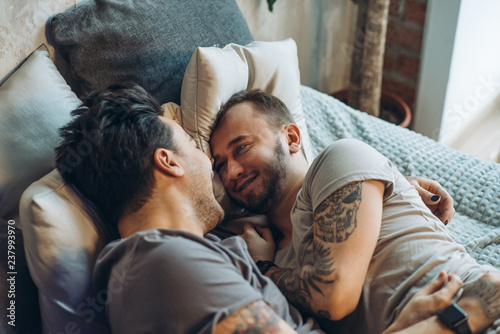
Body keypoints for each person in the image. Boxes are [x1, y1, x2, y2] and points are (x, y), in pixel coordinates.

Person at [55, 83, 464, 334]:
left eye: (241, 149)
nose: (224, 174)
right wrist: (429, 327)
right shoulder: (164, 264)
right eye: (204, 153)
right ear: (169, 161)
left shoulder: (200, 249)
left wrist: (394, 184)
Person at [209, 89, 500, 334]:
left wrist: (265, 270)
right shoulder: (263, 245)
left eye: (243, 147)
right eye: (220, 165)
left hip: (479, 307)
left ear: (292, 138)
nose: (231, 171)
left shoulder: (339, 158)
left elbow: (333, 298)